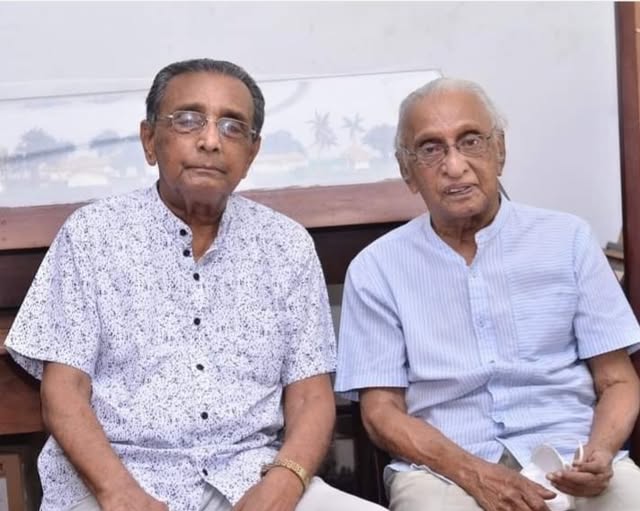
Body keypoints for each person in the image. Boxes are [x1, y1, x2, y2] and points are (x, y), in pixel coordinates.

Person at [5, 58, 385, 511]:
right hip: (115, 477)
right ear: (150, 140)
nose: (210, 140)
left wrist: (285, 481)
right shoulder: (92, 236)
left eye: (232, 126)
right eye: (188, 120)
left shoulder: (287, 246)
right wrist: (119, 492)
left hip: (250, 474)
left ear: (251, 153)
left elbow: (310, 396)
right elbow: (63, 393)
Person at [334, 77, 640, 511]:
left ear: (500, 150)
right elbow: (381, 412)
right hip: (443, 471)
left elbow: (618, 379)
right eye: (430, 149)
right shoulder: (376, 269)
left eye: (471, 141)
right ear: (407, 171)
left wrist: (601, 453)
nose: (454, 165)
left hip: (571, 455)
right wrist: (472, 472)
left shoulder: (567, 240)